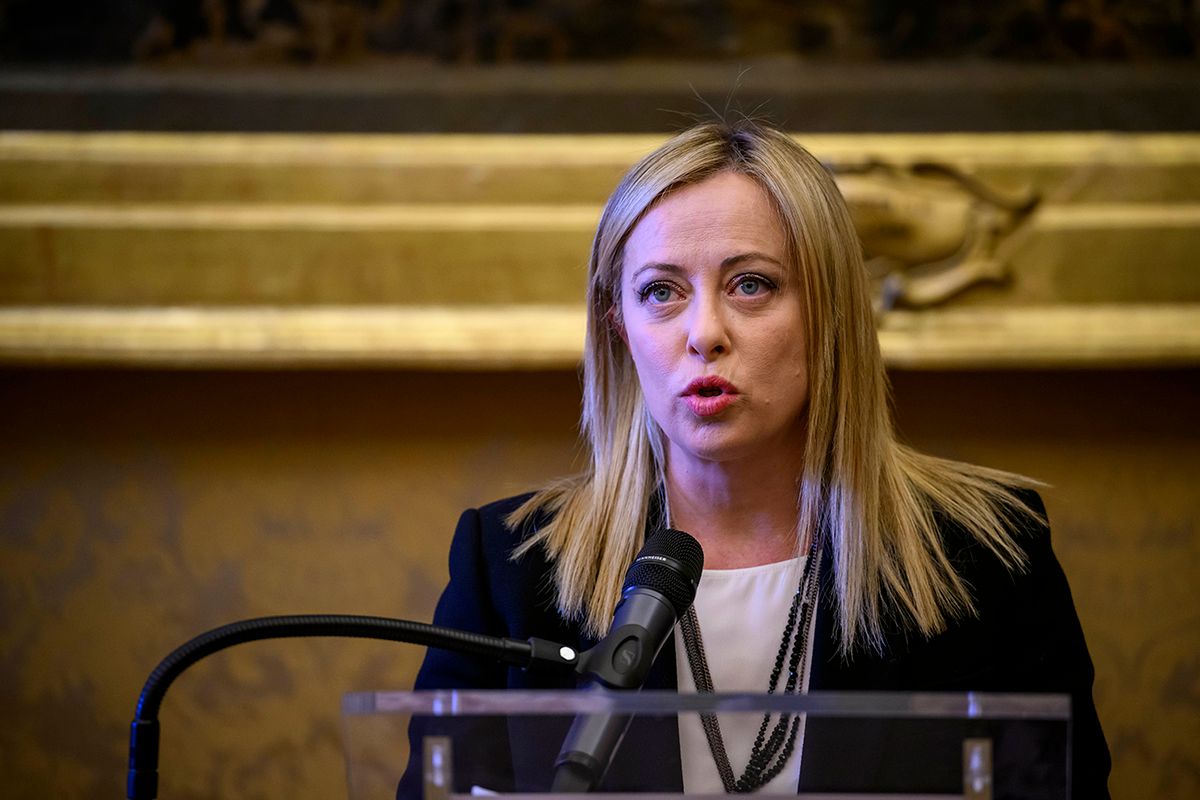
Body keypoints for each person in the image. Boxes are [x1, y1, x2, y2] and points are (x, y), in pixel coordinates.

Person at [399, 120, 1110, 798]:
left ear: (830, 312)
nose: (705, 333)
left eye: (751, 284)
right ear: (618, 326)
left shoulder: (988, 558)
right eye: (660, 292)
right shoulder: (512, 570)